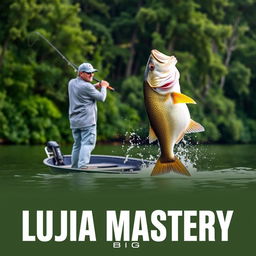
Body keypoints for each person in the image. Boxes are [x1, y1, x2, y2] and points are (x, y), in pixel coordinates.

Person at [68, 62, 109, 168]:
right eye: (88, 73)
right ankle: (82, 166)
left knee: (77, 145)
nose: (92, 75)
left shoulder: (72, 83)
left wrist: (96, 85)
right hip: (87, 122)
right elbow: (101, 98)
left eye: (93, 73)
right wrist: (103, 87)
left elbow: (86, 89)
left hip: (75, 121)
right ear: (81, 73)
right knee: (87, 144)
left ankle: (75, 166)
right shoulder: (87, 87)